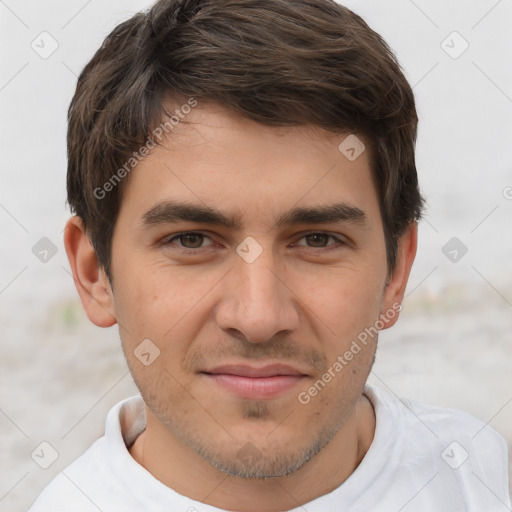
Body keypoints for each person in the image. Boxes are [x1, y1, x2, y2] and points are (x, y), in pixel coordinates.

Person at [29, 0, 510, 510]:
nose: (259, 317)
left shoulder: (479, 478)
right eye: (192, 239)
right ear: (94, 274)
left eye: (317, 239)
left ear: (396, 271)